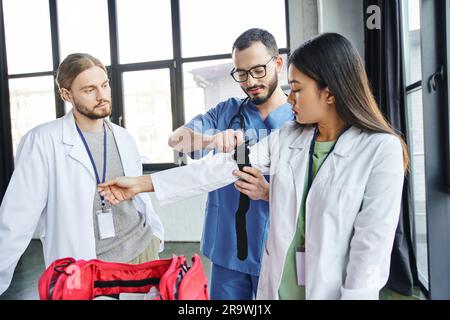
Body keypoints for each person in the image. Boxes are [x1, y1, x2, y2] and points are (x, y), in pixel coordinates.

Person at [98, 33, 408, 300]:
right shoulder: (289, 137)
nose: (291, 100)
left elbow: (370, 251)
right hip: (274, 282)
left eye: (297, 89)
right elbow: (217, 168)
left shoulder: (381, 150)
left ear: (329, 92)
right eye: (241, 73)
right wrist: (142, 184)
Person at [0, 53, 164, 296]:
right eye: (89, 90)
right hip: (86, 266)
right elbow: (15, 219)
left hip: (140, 251)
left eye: (105, 85)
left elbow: (137, 195)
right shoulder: (43, 141)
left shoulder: (124, 137)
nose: (102, 96)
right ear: (67, 94)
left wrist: (155, 236)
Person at [166, 28, 293, 299]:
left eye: (258, 70)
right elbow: (176, 140)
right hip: (228, 250)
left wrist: (270, 192)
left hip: (278, 248)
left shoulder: (299, 116)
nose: (250, 81)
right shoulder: (227, 111)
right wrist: (209, 141)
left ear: (278, 63)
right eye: (241, 74)